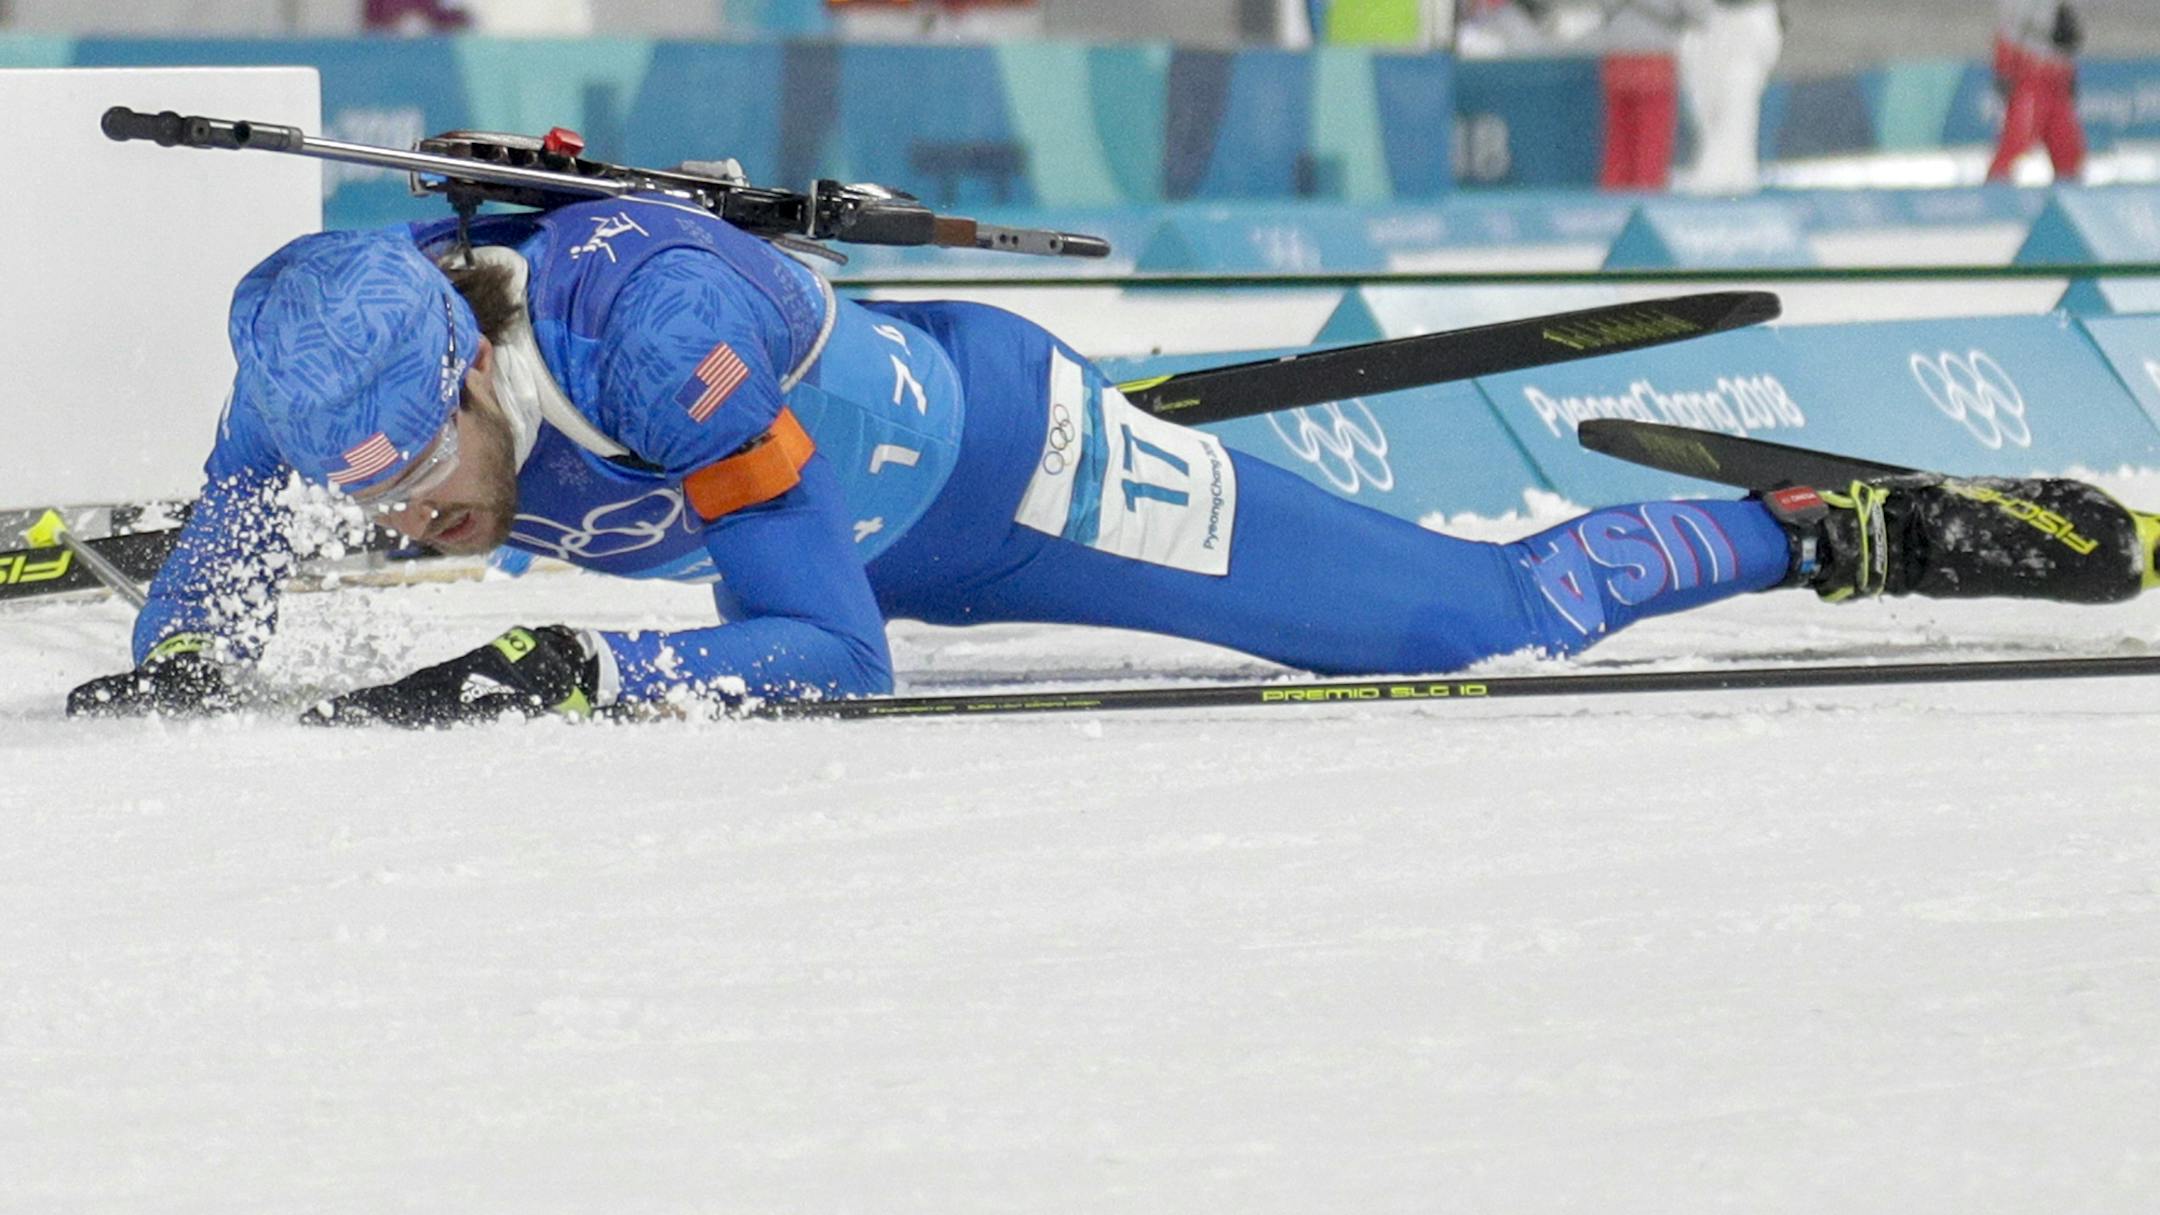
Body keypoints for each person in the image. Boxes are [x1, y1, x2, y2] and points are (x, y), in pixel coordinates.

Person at [64, 196, 2160, 725]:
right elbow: (232, 552)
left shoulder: (648, 331)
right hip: (847, 519)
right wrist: (178, 656)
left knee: (1467, 618)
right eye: (367, 491)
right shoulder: (315, 358)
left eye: (417, 466)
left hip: (1009, 470)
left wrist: (601, 675)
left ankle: (1830, 526)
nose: (405, 515)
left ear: (474, 347)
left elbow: (828, 651)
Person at [1676, 0, 1782, 194]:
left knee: (1738, 105)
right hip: (1709, 22)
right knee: (1709, 109)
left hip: (1749, 19)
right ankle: (1721, 176)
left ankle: (1728, 178)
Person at [1987, 0, 2086, 183]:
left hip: (2059, 78)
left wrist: (2070, 73)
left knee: (2067, 146)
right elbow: (2008, 29)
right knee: (2017, 141)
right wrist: (2004, 67)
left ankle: (2068, 199)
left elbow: (2069, 34)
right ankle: (1994, 195)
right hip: (2031, 75)